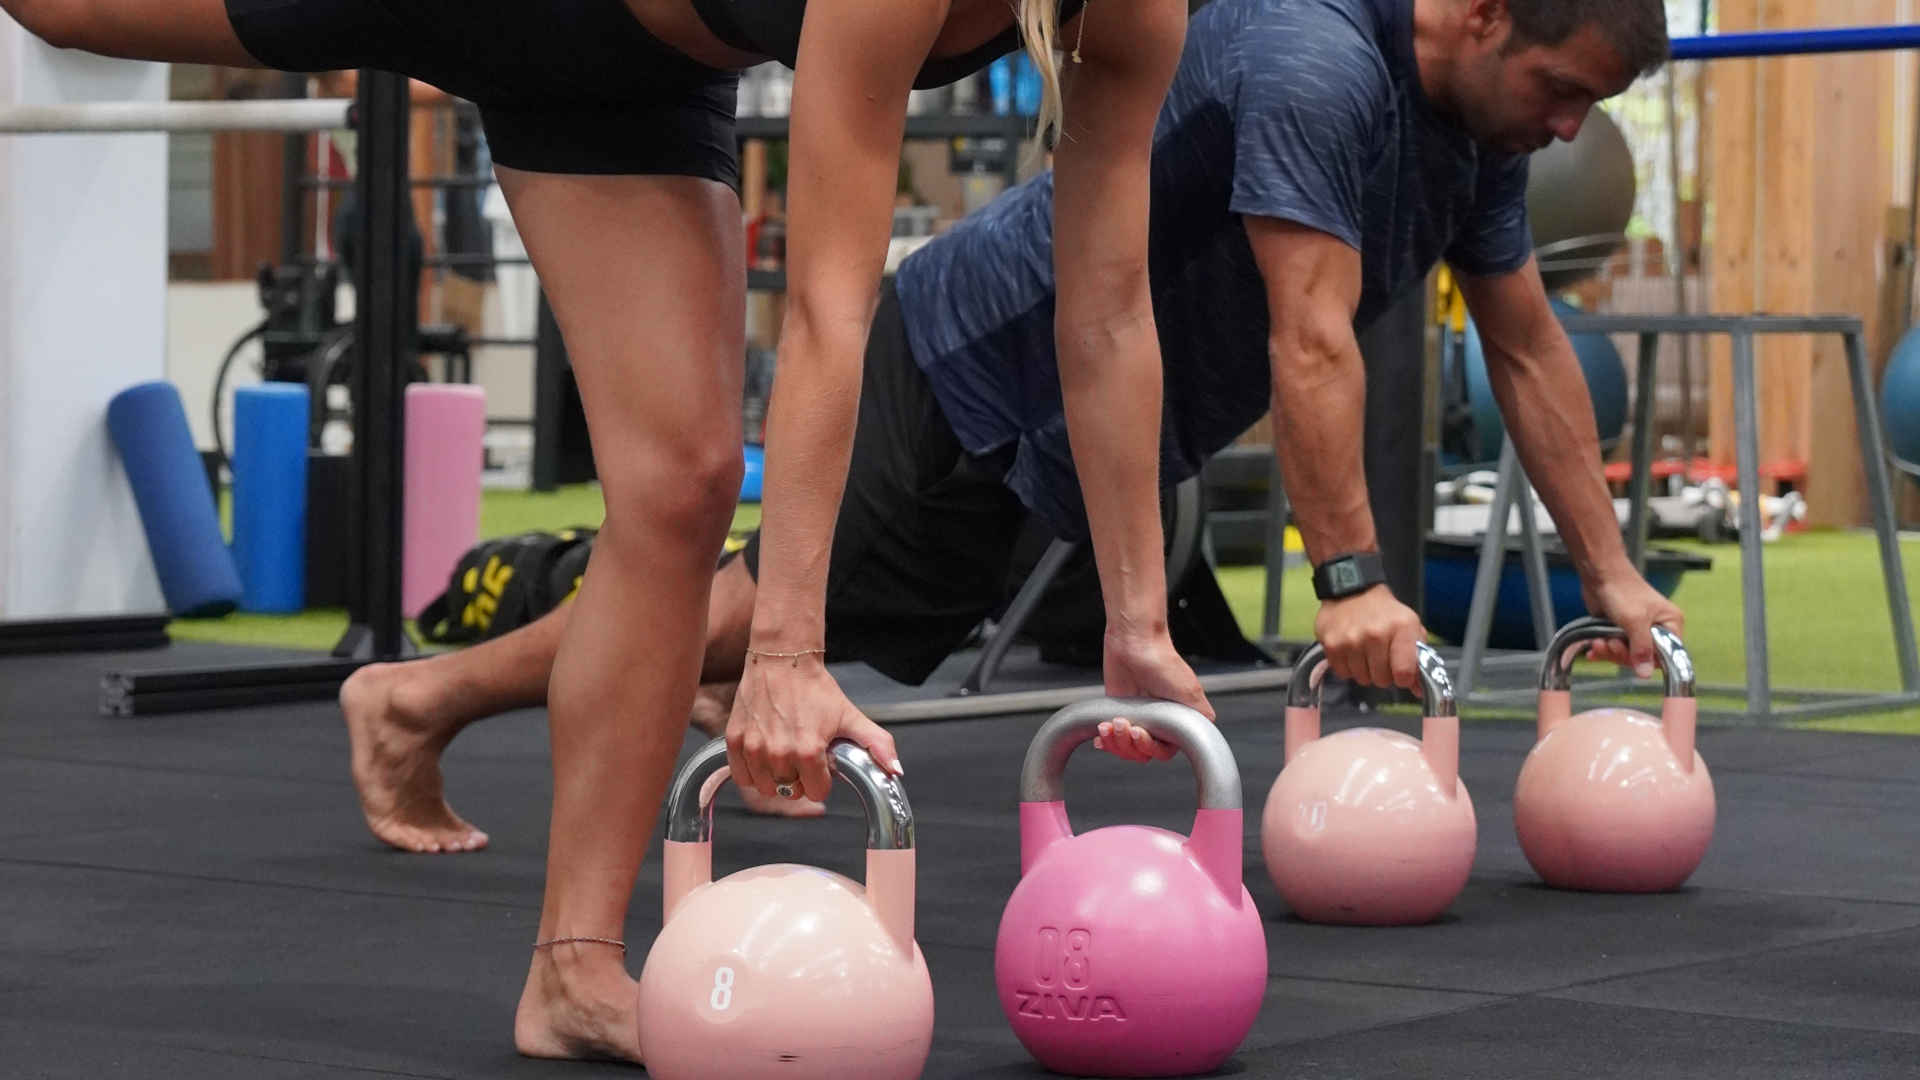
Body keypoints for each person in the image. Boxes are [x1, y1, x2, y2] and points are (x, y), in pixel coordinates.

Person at [3, 0, 1202, 1063]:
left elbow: (1106, 311)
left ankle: (570, 973)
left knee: (679, 484)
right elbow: (831, 307)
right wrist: (780, 655)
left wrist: (1138, 623)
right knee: (64, 13)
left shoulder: (1139, 11)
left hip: (638, 77)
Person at [341, 0, 1683, 821]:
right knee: (761, 618)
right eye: (1565, 90)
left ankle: (509, 663)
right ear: (1490, 13)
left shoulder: (1478, 130)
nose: (1570, 129)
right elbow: (1310, 338)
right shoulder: (1320, 61)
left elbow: (1525, 347)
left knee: (794, 621)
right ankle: (425, 698)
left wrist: (1612, 575)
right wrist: (1348, 581)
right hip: (981, 367)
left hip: (1075, 432)